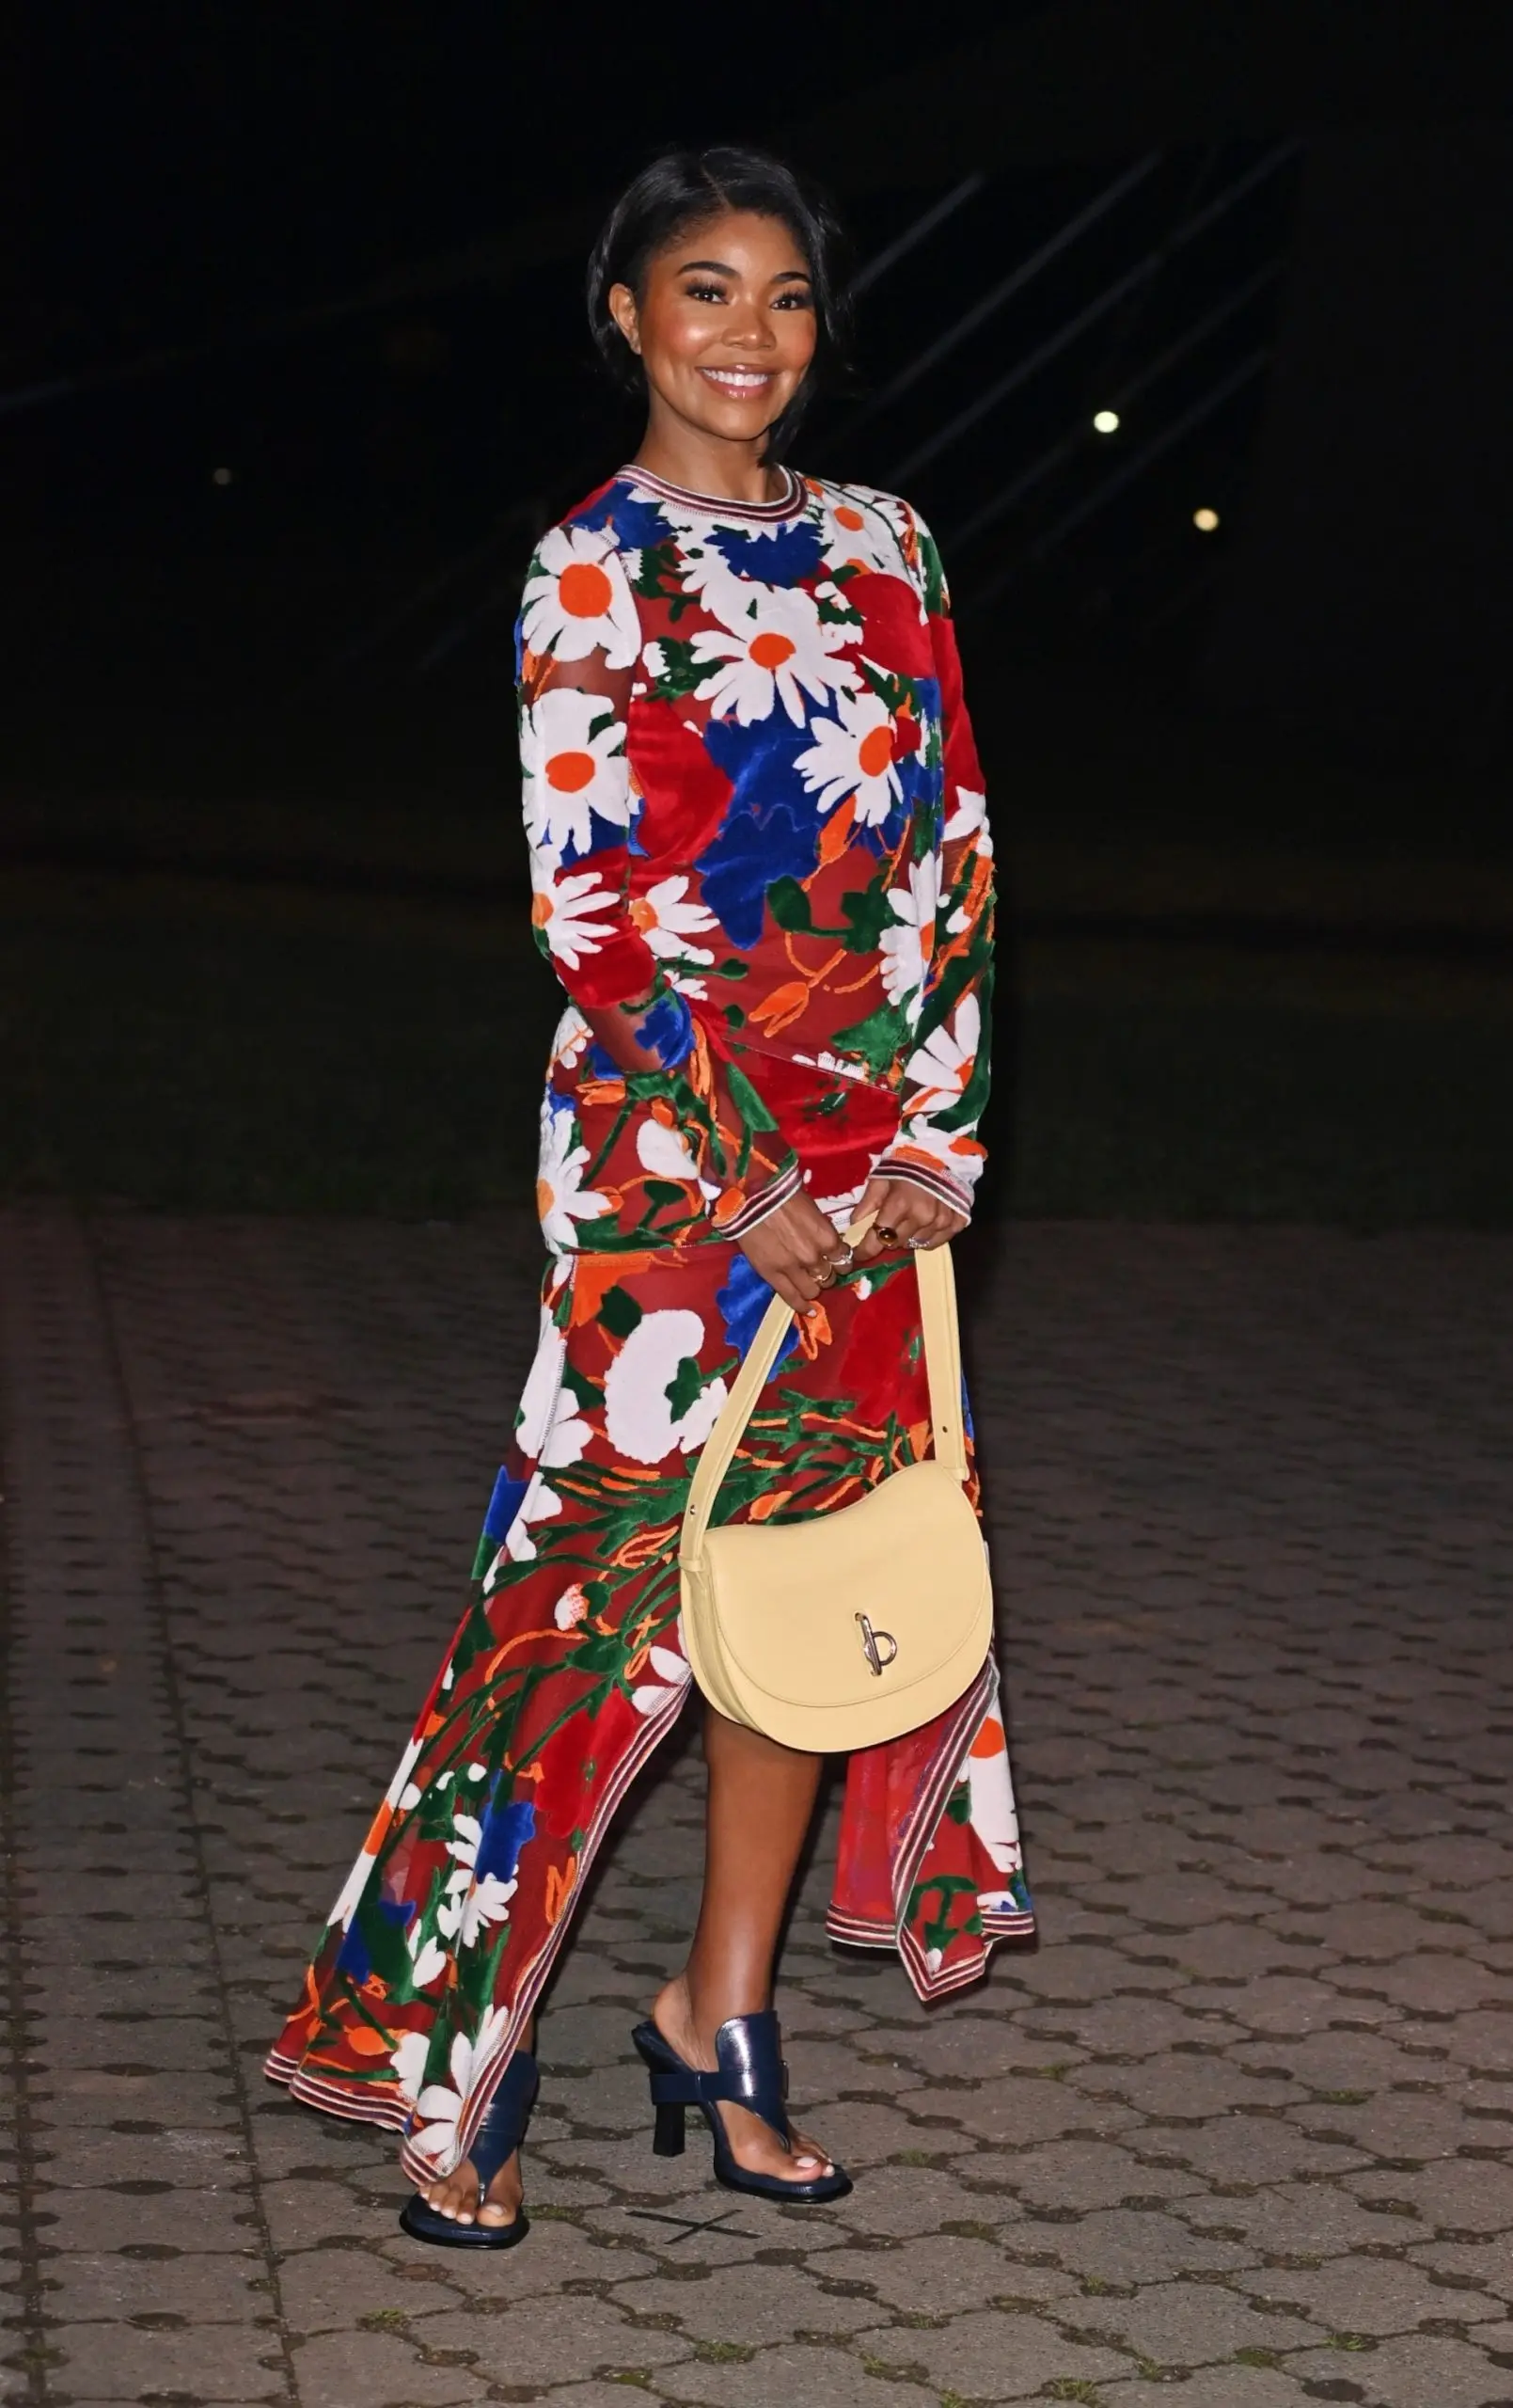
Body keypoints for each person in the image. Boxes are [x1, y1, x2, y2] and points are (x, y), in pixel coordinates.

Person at [266, 143, 1032, 2247]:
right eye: (706, 293)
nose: (750, 340)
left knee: (797, 1621)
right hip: (675, 1186)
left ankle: (725, 2023)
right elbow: (595, 911)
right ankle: (458, 2060)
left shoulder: (894, 545)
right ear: (627, 314)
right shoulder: (586, 567)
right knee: (581, 1620)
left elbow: (954, 850)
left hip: (868, 1182)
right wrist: (750, 1170)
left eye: (785, 298)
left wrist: (926, 1148)